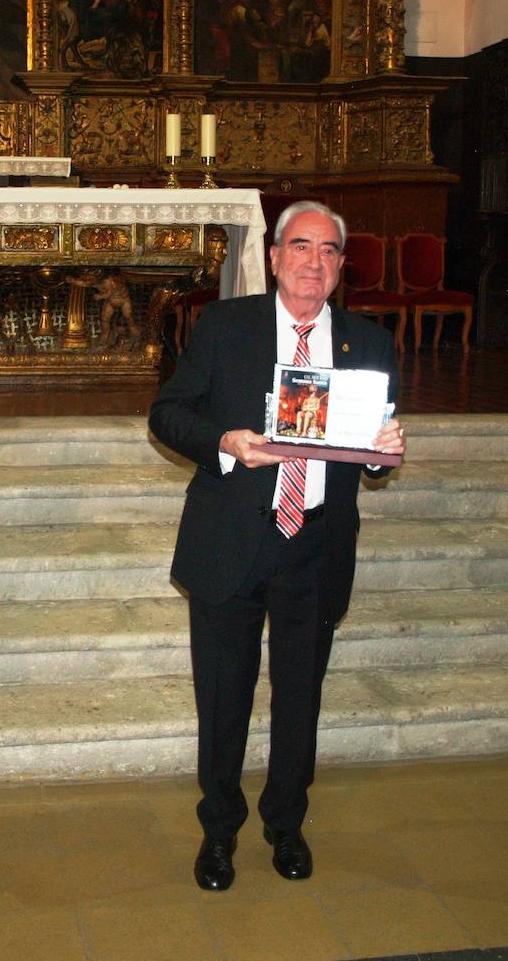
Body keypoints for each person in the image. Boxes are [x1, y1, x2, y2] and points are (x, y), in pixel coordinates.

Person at [148, 200, 405, 892]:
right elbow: (168, 412)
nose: (314, 263)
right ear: (274, 256)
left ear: (342, 265)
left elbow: (372, 449)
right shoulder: (225, 328)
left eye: (329, 251)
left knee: (300, 700)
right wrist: (225, 444)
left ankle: (286, 823)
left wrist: (385, 455)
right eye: (301, 247)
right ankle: (219, 831)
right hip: (233, 536)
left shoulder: (369, 343)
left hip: (314, 544)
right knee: (224, 699)